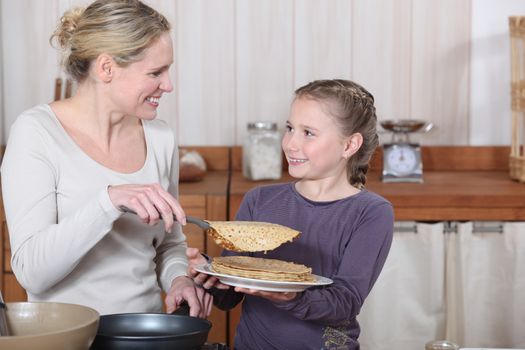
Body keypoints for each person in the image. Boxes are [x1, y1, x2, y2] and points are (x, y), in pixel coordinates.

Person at [0, 0, 212, 318]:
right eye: (155, 72)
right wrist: (108, 202)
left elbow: (169, 244)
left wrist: (179, 279)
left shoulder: (160, 137)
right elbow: (32, 272)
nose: (168, 85)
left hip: (144, 331)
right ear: (106, 68)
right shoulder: (36, 133)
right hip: (67, 336)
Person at [188, 79, 394, 349]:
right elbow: (229, 299)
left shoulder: (371, 213)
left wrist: (292, 296)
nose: (290, 144)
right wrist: (207, 273)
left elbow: (344, 303)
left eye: (308, 132)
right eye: (289, 128)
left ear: (349, 145)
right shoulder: (259, 200)